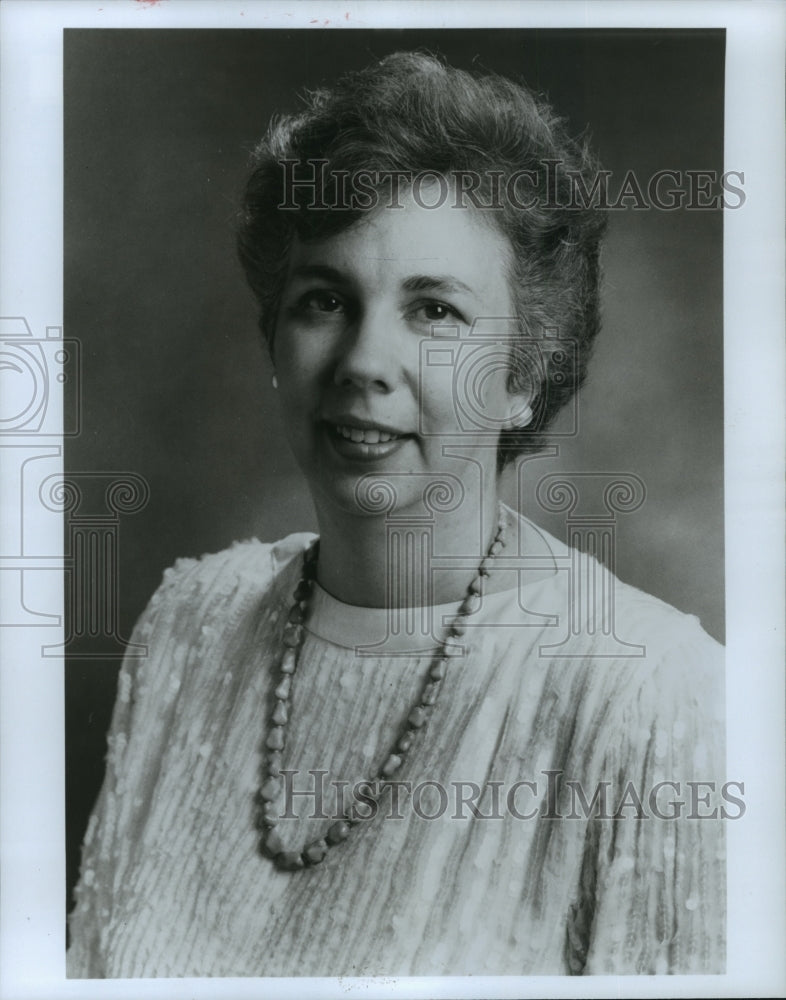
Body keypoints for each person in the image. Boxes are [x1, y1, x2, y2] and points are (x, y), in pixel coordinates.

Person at [67, 51, 725, 977]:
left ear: (525, 376)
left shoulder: (650, 700)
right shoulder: (189, 628)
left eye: (436, 312)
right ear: (274, 338)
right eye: (325, 299)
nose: (364, 361)